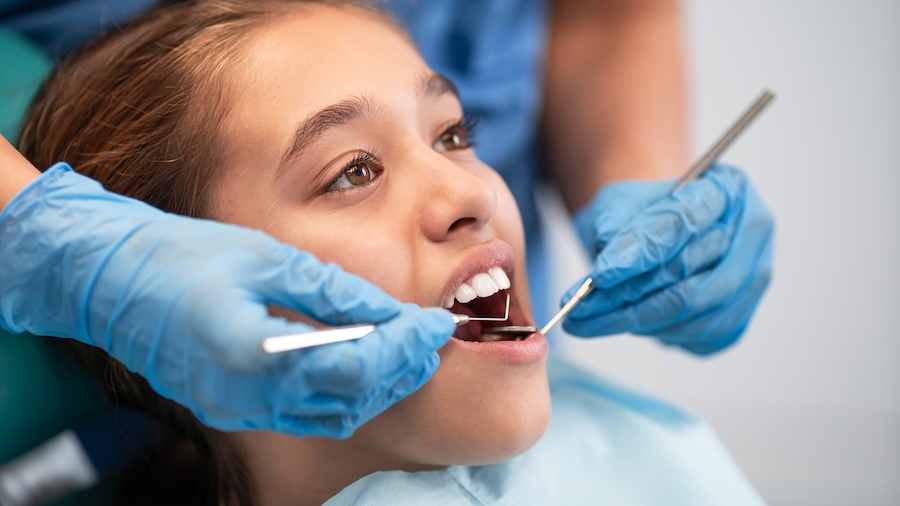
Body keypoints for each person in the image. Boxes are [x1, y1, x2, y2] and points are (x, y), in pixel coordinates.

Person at [17, 2, 765, 504]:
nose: (470, 192)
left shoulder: (617, 431)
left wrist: (647, 186)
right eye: (354, 172)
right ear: (180, 295)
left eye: (453, 135)